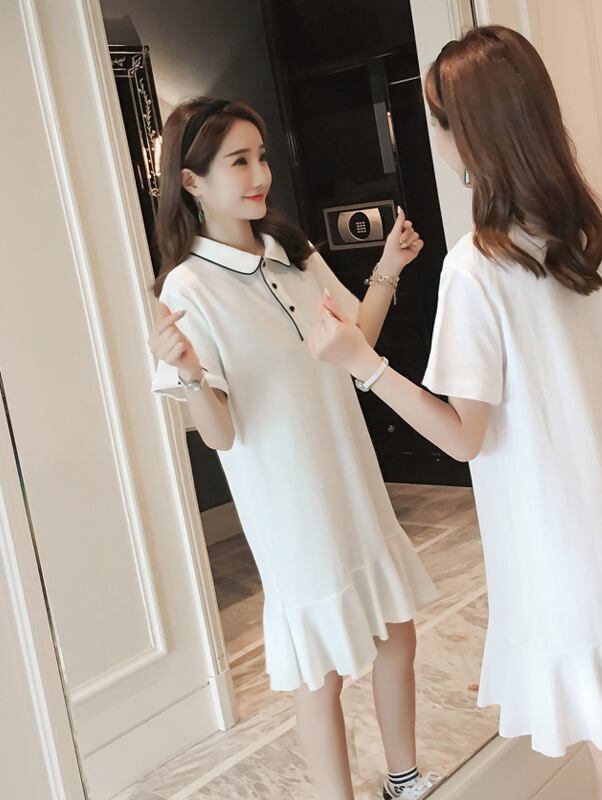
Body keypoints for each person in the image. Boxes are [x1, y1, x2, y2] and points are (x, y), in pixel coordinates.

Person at [308, 27, 602, 800]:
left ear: (470, 134)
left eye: (441, 119)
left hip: (560, 546)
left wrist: (364, 364)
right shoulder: (583, 235)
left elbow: (464, 437)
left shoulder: (477, 267)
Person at [148, 97, 440, 800]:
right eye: (238, 161)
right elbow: (220, 435)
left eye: (261, 156)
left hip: (350, 476)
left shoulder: (291, 251)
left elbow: (355, 342)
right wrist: (188, 375)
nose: (260, 175)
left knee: (396, 633)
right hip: (290, 508)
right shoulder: (186, 289)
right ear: (191, 182)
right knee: (322, 671)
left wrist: (389, 266)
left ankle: (403, 781)